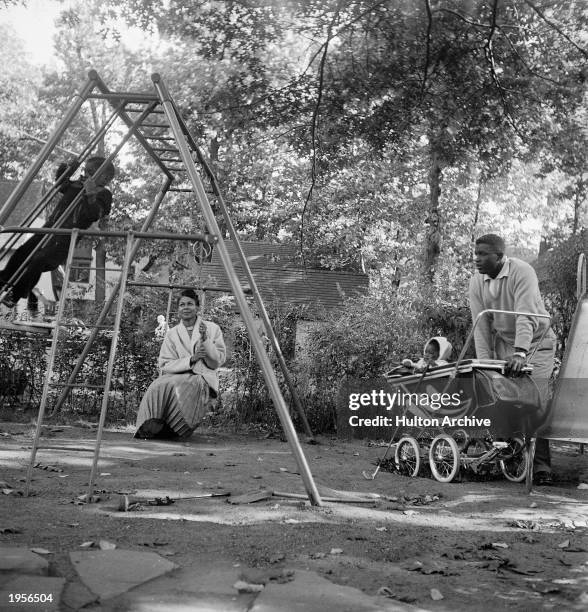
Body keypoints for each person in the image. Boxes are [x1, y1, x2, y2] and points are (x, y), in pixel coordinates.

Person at [469, 233, 556, 485]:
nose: (477, 259)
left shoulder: (522, 271)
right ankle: (508, 457)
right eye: (476, 254)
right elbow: (481, 325)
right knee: (502, 396)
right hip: (507, 344)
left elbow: (525, 314)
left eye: (483, 254)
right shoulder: (477, 281)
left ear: (499, 256)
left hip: (537, 344)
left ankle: (540, 466)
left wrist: (521, 352)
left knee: (535, 401)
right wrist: (485, 366)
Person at [0, 156, 115, 308]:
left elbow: (94, 214)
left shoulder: (103, 194)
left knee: (39, 260)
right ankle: (3, 280)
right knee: (22, 252)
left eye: (91, 171)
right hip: (49, 229)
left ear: (105, 177)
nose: (85, 173)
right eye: (85, 170)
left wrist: (91, 195)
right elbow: (61, 184)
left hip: (63, 239)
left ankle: (15, 294)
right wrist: (68, 168)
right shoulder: (77, 185)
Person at [135, 289, 226, 439]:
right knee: (157, 385)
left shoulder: (212, 328)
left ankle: (177, 428)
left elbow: (217, 362)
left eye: (190, 304)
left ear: (197, 307)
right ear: (178, 310)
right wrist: (191, 360)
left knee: (180, 386)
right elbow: (164, 363)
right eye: (182, 305)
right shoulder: (172, 333)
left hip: (202, 377)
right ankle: (150, 424)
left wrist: (206, 340)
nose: (186, 307)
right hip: (178, 374)